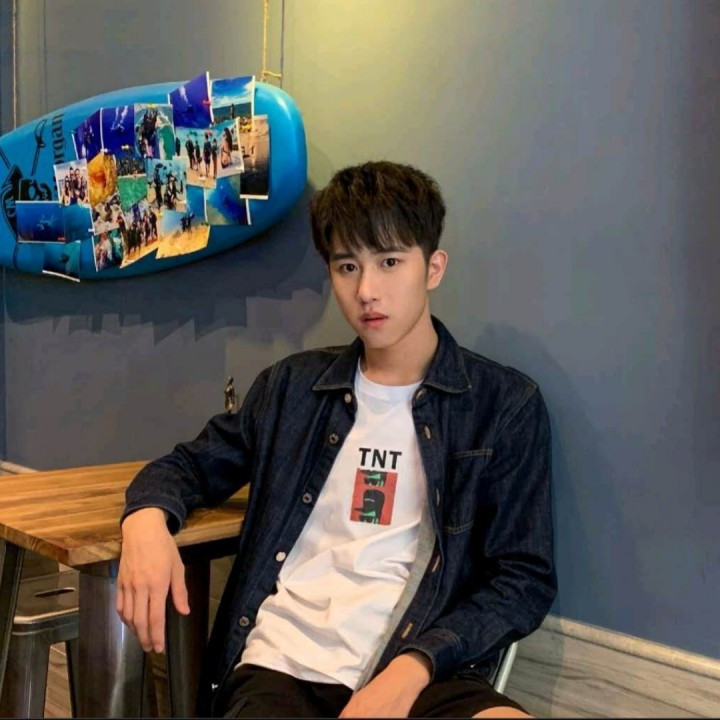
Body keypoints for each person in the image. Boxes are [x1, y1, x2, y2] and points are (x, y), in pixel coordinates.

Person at [117, 161, 556, 719]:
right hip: (283, 667)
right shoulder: (292, 389)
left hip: (422, 669)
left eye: (390, 262)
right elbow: (187, 467)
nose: (367, 291)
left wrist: (412, 669)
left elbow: (523, 580)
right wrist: (145, 521)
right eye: (348, 266)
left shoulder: (503, 405)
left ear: (433, 268)